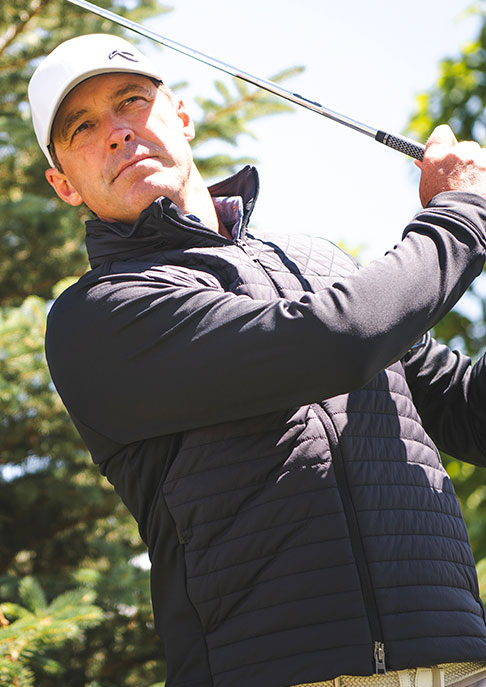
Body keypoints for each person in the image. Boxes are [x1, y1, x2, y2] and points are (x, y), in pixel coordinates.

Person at [28, 32, 486, 687]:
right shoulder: (97, 316)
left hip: (457, 665)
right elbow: (337, 339)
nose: (118, 133)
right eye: (83, 127)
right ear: (63, 184)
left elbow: (468, 412)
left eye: (132, 102)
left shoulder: (319, 262)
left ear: (181, 117)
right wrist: (463, 217)